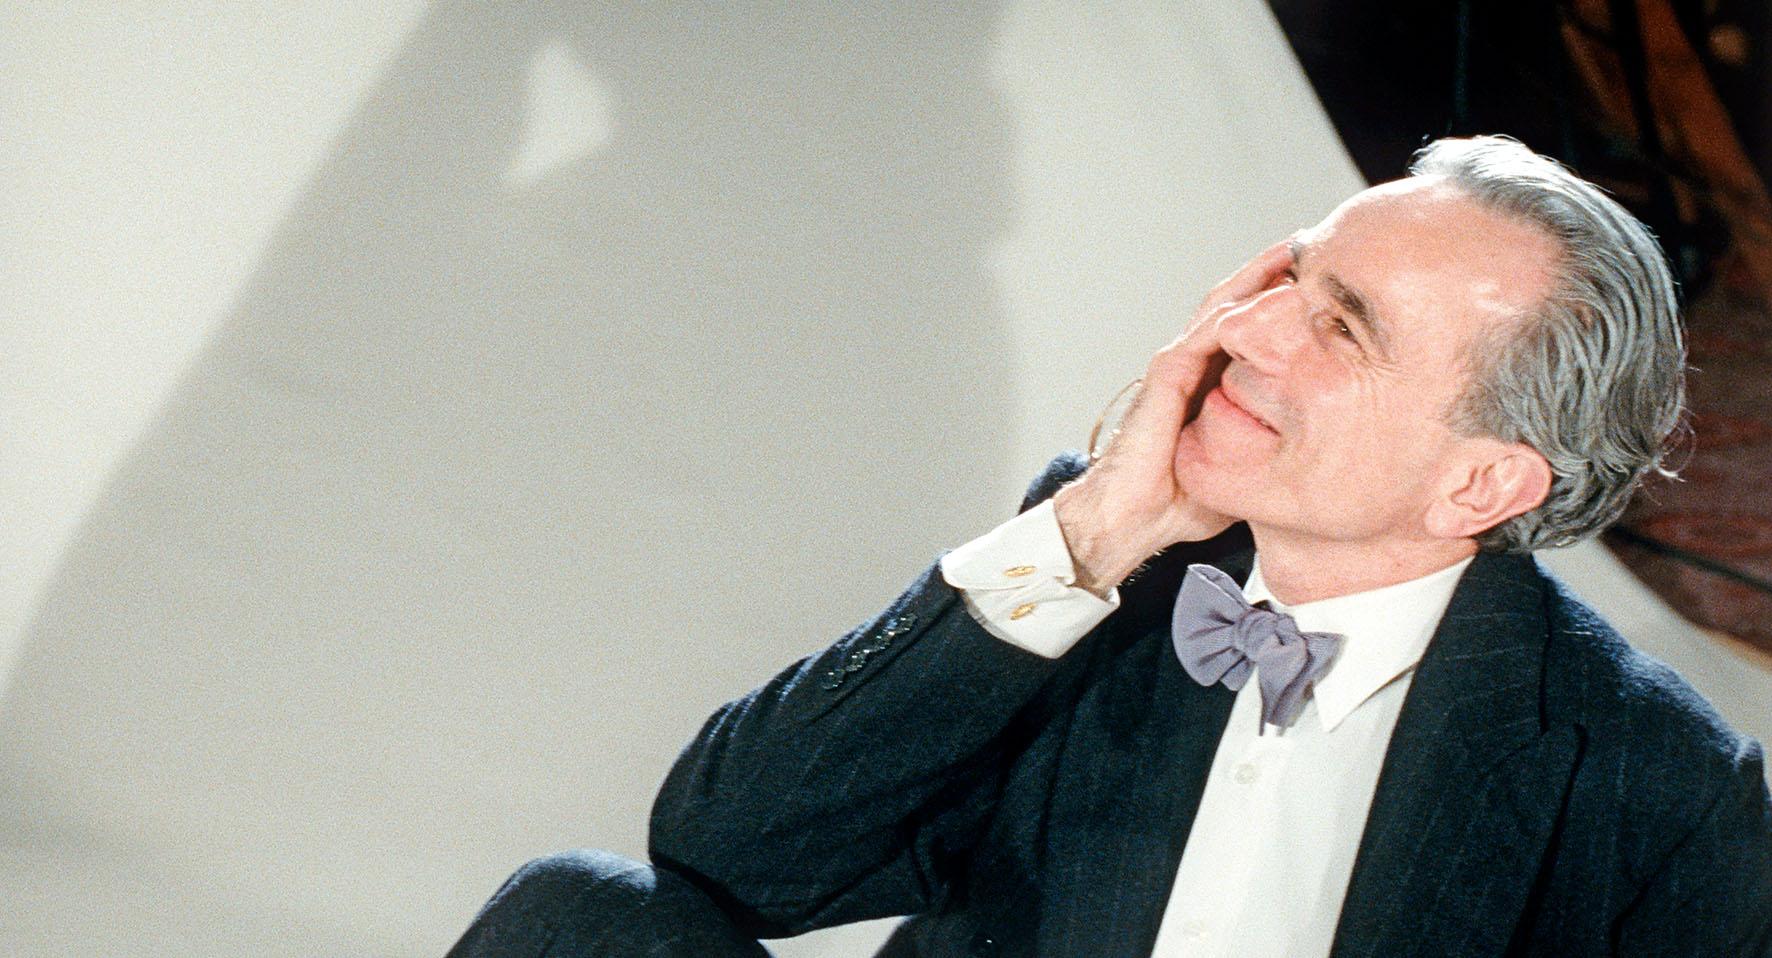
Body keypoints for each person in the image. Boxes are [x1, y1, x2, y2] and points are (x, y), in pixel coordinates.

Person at [447, 136, 1772, 957]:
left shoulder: (1658, 783)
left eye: (1343, 326)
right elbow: (727, 858)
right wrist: (1091, 533)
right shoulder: (1103, 577)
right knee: (582, 920)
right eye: (1288, 282)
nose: (1242, 331)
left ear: (1482, 479)